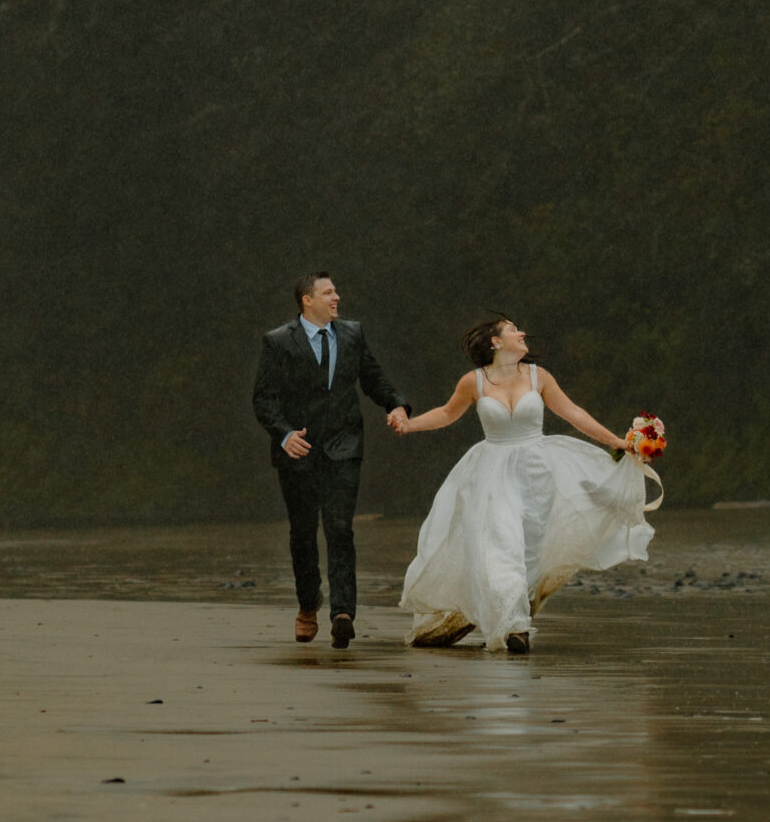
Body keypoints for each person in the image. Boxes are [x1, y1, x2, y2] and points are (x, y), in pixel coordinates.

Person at [393, 315, 658, 653]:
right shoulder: (472, 382)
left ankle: (517, 613)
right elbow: (447, 414)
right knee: (502, 544)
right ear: (495, 342)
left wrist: (617, 441)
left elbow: (572, 413)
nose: (521, 333)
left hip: (537, 472)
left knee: (529, 549)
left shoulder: (539, 377)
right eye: (512, 330)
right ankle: (516, 627)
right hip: (491, 473)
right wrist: (409, 425)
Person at [252, 273, 410, 648]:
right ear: (307, 300)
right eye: (328, 292)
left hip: (344, 445)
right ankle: (308, 605)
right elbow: (264, 398)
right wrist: (285, 434)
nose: (337, 297)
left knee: (340, 527)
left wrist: (397, 405)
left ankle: (343, 612)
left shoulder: (353, 334)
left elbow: (372, 378)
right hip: (299, 449)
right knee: (303, 533)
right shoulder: (277, 341)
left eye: (336, 291)